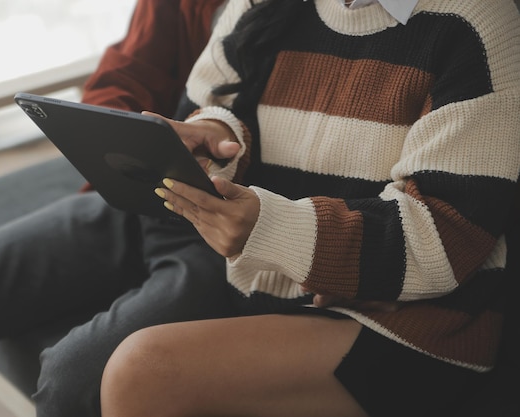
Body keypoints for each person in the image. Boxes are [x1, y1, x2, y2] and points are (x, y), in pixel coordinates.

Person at [97, 1, 520, 417]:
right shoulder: (254, 6)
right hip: (279, 285)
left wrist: (270, 228)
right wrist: (214, 135)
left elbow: (444, 235)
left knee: (142, 369)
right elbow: (212, 106)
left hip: (418, 324)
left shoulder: (476, 22)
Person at [0, 1, 229, 416]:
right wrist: (126, 141)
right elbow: (121, 75)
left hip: (228, 241)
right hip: (141, 199)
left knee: (74, 379)